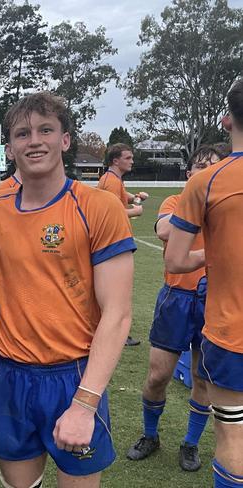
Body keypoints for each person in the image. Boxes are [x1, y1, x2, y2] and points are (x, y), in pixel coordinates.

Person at [0, 92, 136, 488]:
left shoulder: (99, 207)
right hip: (11, 375)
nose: (34, 140)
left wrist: (85, 403)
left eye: (45, 130)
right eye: (23, 133)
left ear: (65, 140)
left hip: (73, 376)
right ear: (10, 148)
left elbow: (118, 314)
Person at [166, 78, 243, 488]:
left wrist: (215, 255)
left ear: (226, 120)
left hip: (231, 332)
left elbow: (177, 259)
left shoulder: (208, 179)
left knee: (233, 434)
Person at [126, 145, 223, 471]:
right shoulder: (174, 202)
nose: (207, 173)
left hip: (214, 300)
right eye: (201, 167)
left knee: (202, 379)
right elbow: (164, 229)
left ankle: (191, 444)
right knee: (158, 376)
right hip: (176, 298)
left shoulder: (226, 207)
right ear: (189, 174)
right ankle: (150, 435)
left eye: (213, 168)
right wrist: (199, 201)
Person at [97, 142, 147, 347]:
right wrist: (135, 211)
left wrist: (135, 197)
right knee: (116, 291)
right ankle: (116, 332)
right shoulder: (110, 181)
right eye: (128, 158)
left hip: (114, 240)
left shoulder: (114, 179)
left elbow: (121, 196)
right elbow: (110, 212)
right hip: (113, 241)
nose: (132, 161)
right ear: (115, 160)